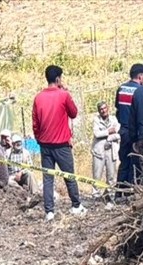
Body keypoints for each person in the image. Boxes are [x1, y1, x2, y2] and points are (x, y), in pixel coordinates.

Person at [32, 65, 85, 221]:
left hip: (45, 144)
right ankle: (76, 205)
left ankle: (49, 211)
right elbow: (74, 113)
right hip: (61, 144)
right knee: (69, 175)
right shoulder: (63, 95)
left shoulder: (38, 97)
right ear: (58, 79)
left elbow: (35, 122)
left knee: (48, 178)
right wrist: (66, 92)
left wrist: (39, 138)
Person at [115, 63, 143, 188]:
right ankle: (132, 191)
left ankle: (119, 191)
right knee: (136, 162)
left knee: (124, 162)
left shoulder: (121, 88)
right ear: (140, 76)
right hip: (135, 132)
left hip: (123, 130)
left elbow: (117, 108)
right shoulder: (140, 91)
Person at [91, 102, 120, 195]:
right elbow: (97, 134)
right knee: (97, 175)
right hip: (99, 151)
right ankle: (96, 194)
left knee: (111, 175)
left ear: (108, 108)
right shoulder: (96, 120)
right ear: (99, 111)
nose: (103, 111)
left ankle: (110, 194)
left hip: (111, 151)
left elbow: (117, 133)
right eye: (101, 109)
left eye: (104, 108)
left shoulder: (114, 119)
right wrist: (108, 131)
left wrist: (108, 136)